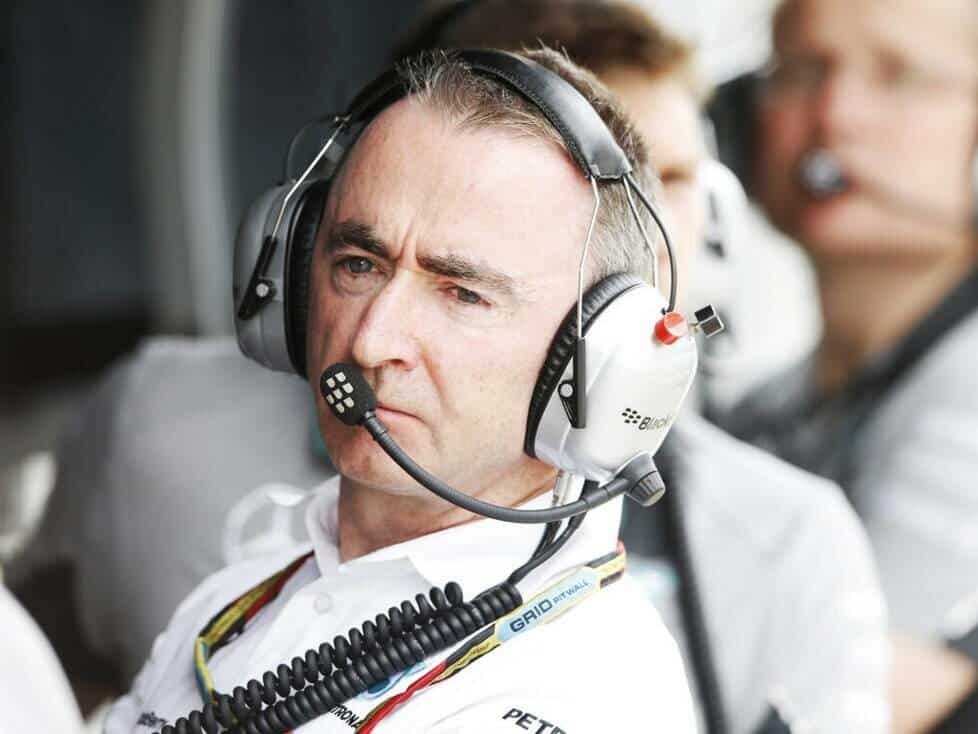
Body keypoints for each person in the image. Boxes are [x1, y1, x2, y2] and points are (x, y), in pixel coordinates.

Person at [105, 48, 698, 733]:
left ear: (595, 362)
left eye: (463, 294)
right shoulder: (227, 607)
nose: (370, 341)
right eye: (359, 264)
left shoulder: (591, 691)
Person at [422, 2, 888, 732]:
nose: (653, 231)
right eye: (605, 183)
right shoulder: (234, 451)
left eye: (672, 178)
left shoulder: (787, 537)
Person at [719, 0, 978, 730]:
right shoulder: (765, 403)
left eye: (902, 76)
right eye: (801, 71)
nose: (835, 115)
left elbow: (844, 704)